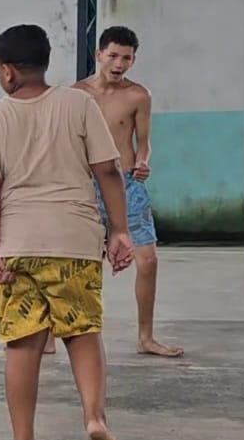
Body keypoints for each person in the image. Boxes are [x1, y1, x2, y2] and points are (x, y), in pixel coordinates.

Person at [0, 25, 134, 440]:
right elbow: (109, 171)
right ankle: (94, 419)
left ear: (6, 71)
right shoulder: (80, 105)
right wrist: (119, 230)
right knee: (82, 332)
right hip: (75, 241)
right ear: (45, 64)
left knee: (22, 345)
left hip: (18, 245)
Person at [73, 25, 183, 358]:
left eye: (127, 58)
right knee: (74, 262)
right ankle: (54, 332)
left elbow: (143, 143)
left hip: (127, 185)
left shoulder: (138, 95)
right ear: (99, 55)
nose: (119, 64)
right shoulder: (76, 95)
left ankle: (145, 337)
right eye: (113, 56)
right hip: (85, 186)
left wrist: (143, 161)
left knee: (147, 260)